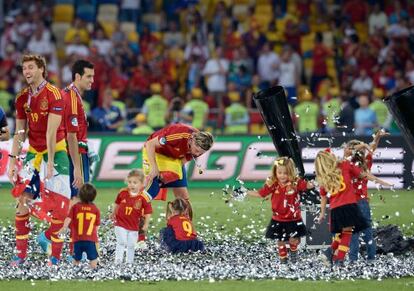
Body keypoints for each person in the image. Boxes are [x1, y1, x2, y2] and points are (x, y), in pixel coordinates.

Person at [7, 54, 71, 266]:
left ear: (41, 69)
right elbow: (20, 131)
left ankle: (55, 257)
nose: (27, 71)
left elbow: (52, 133)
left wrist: (51, 161)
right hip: (34, 155)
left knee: (60, 208)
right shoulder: (21, 98)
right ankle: (20, 255)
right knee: (23, 202)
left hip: (58, 153)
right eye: (24, 68)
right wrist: (11, 161)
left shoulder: (54, 94)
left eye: (31, 67)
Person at [315, 150, 391, 267]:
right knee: (347, 233)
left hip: (335, 209)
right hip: (349, 205)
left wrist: (322, 213)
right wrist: (379, 181)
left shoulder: (323, 177)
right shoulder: (344, 164)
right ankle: (338, 259)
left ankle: (329, 254)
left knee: (343, 233)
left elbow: (323, 197)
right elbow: (362, 175)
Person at [246, 157, 314, 264]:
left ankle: (293, 253)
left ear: (291, 172)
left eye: (285, 173)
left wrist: (314, 183)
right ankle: (283, 259)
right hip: (278, 219)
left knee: (294, 239)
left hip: (293, 218)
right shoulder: (273, 184)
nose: (282, 175)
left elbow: (307, 186)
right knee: (280, 241)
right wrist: (245, 192)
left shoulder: (295, 183)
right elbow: (261, 193)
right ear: (275, 172)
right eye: (279, 172)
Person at [142, 123, 214, 218]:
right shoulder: (177, 135)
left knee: (183, 198)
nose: (197, 154)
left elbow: (183, 161)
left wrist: (168, 177)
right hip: (155, 151)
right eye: (196, 150)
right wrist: (155, 168)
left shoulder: (201, 146)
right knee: (154, 179)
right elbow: (150, 144)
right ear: (192, 140)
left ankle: (184, 226)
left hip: (174, 157)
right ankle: (133, 207)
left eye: (201, 153)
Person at [346, 130, 389, 263]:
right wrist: (375, 139)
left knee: (353, 233)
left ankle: (353, 260)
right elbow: (371, 148)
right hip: (362, 202)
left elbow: (370, 147)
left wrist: (374, 139)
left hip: (351, 203)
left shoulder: (348, 164)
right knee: (367, 231)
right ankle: (371, 259)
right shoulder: (365, 162)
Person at [111, 169, 152, 264]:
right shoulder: (123, 192)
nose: (132, 185)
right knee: (121, 242)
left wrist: (146, 224)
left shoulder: (144, 197)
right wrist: (113, 213)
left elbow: (148, 212)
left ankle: (130, 262)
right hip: (120, 223)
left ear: (142, 184)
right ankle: (118, 261)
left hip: (134, 225)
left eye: (135, 182)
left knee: (131, 245)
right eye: (129, 182)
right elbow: (117, 203)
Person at [58, 183, 100, 269]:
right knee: (93, 258)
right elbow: (96, 226)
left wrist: (64, 227)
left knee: (76, 258)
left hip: (77, 239)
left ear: (79, 195)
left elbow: (68, 218)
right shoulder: (95, 209)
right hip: (90, 239)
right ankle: (93, 271)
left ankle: (75, 271)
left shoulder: (75, 207)